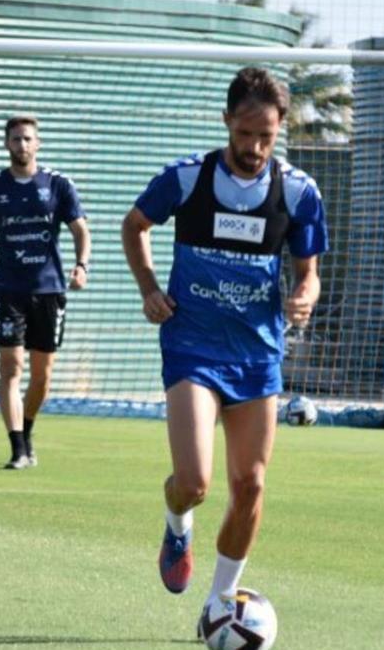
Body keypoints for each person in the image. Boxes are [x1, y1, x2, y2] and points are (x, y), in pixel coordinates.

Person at [120, 67, 328, 635]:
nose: (255, 148)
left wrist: (304, 296)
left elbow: (308, 273)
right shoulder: (187, 179)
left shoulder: (299, 192)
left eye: (267, 136)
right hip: (193, 347)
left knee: (252, 484)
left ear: (280, 130)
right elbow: (134, 225)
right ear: (226, 123)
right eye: (245, 134)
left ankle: (218, 605)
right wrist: (149, 288)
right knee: (194, 482)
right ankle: (176, 522)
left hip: (258, 355)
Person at [0, 115, 90, 470]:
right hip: (7, 290)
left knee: (42, 374)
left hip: (49, 290)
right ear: (6, 144)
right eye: (16, 139)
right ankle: (17, 447)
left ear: (38, 143)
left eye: (28, 139)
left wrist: (82, 266)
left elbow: (81, 229)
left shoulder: (58, 184)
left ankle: (28, 428)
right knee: (11, 367)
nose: (22, 145)